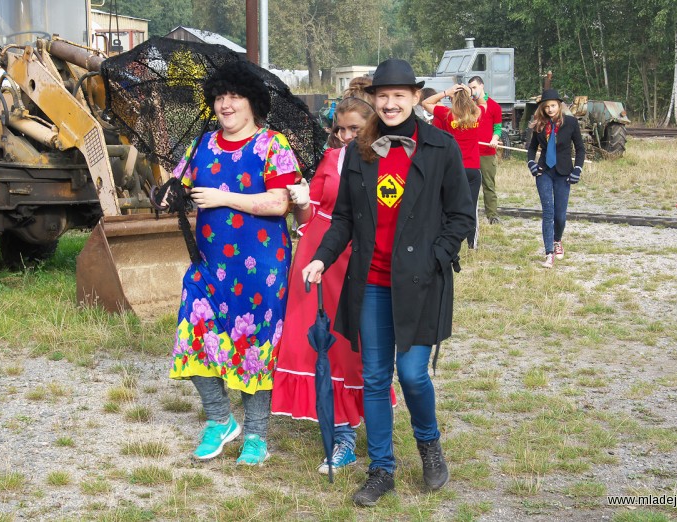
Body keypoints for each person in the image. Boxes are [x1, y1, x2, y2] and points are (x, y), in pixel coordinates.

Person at [301, 58, 475, 507]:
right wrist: (322, 257)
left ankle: (429, 444)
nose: (391, 103)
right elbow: (342, 218)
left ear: (416, 98)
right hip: (372, 283)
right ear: (373, 100)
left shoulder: (441, 147)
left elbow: (460, 215)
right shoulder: (360, 149)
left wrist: (438, 257)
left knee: (413, 374)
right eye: (383, 96)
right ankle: (382, 468)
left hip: (420, 281)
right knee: (376, 379)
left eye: (400, 95)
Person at [168, 60, 302, 465]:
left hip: (262, 267)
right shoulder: (201, 144)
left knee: (256, 348)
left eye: (235, 97)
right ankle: (220, 420)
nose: (226, 105)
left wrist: (225, 197)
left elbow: (281, 202)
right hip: (208, 265)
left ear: (252, 102)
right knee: (193, 339)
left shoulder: (273, 145)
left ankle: (257, 435)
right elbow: (179, 184)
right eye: (220, 97)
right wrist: (166, 194)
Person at [272, 82, 394, 475]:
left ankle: (347, 437)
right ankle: (338, 434)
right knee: (313, 344)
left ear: (371, 125)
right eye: (340, 129)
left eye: (354, 128)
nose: (345, 136)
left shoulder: (386, 161)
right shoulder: (330, 158)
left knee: (348, 347)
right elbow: (309, 218)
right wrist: (301, 202)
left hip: (355, 262)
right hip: (315, 259)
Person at [526, 88, 585, 269]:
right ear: (542, 108)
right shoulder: (539, 125)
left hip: (564, 174)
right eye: (547, 107)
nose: (550, 109)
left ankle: (557, 240)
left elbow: (580, 149)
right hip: (544, 172)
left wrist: (577, 169)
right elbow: (531, 149)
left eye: (553, 106)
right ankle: (548, 253)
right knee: (548, 213)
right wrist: (531, 164)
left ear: (559, 106)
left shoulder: (571, 123)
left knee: (560, 216)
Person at [422, 84, 482, 249]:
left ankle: (448, 239)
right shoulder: (477, 113)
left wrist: (445, 92)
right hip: (473, 169)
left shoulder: (447, 114)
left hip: (454, 168)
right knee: (472, 207)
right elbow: (482, 100)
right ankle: (472, 243)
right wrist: (472, 93)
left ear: (452, 99)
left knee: (449, 205)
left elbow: (426, 102)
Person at [467, 76, 503, 225]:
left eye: (474, 87)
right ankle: (467, 215)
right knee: (467, 186)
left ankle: (492, 215)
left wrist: (495, 138)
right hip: (469, 152)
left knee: (488, 184)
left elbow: (498, 128)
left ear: (482, 86)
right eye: (470, 89)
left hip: (487, 153)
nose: (472, 91)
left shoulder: (494, 106)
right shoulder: (469, 106)